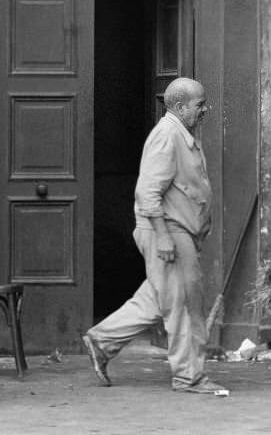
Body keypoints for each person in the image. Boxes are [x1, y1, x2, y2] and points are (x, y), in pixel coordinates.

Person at [82, 77, 228, 395]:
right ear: (179, 106)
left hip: (178, 231)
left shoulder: (181, 133)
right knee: (186, 307)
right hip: (170, 231)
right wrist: (163, 237)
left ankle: (102, 341)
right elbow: (148, 192)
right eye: (199, 104)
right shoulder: (167, 135)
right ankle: (189, 376)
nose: (205, 110)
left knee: (158, 299)